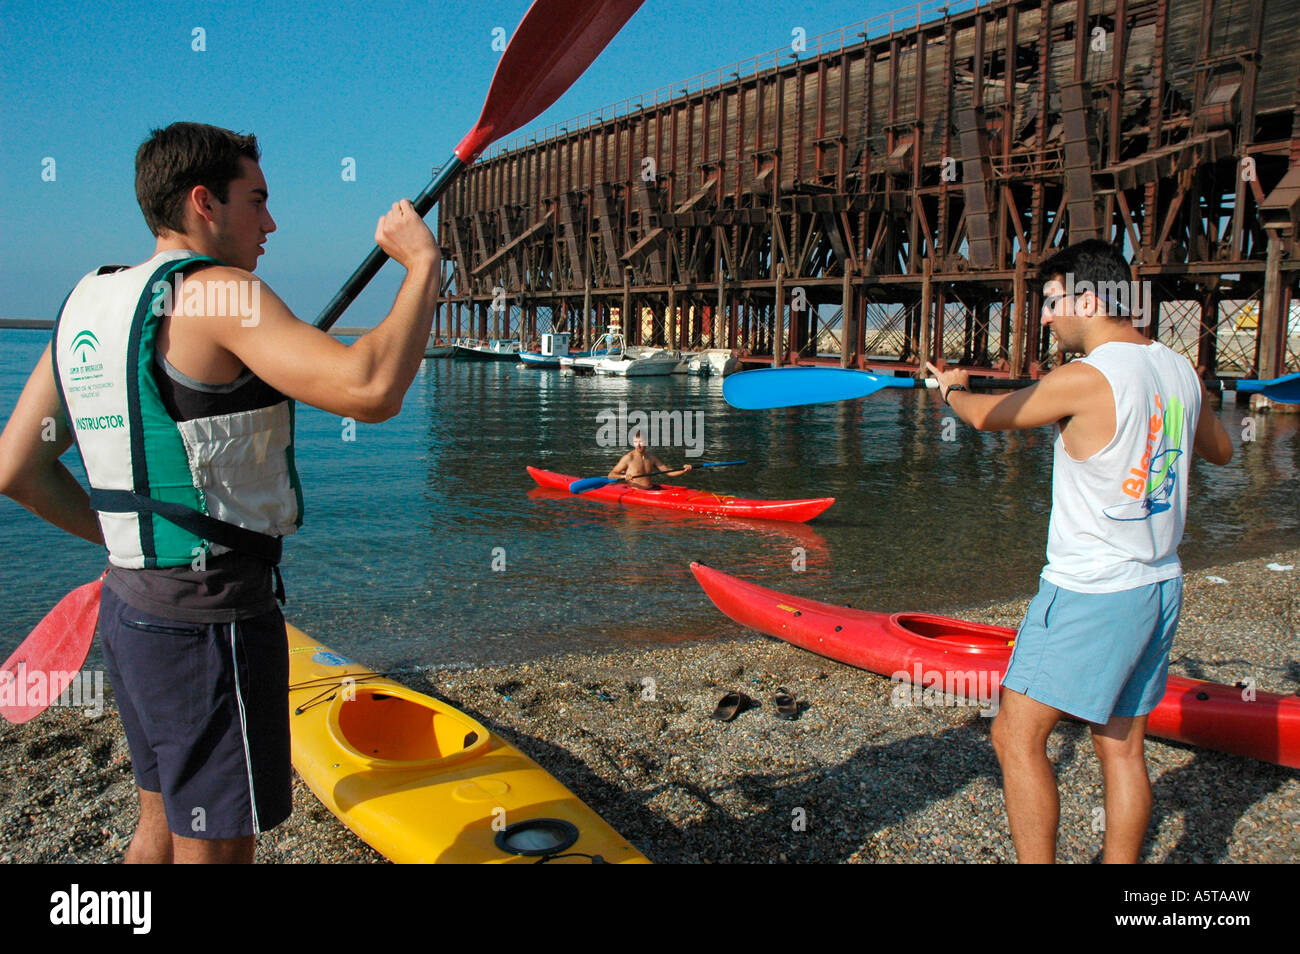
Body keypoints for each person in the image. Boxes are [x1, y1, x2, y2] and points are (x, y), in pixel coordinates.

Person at [0, 122, 441, 863]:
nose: (271, 224)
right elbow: (370, 388)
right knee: (217, 849)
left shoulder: (86, 303)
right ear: (204, 202)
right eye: (257, 201)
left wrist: (127, 541)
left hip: (130, 609)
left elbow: (17, 469)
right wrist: (422, 267)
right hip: (211, 622)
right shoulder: (221, 294)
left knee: (161, 828)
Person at [926, 238, 1233, 863]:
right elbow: (1222, 452)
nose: (1044, 316)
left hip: (1091, 589)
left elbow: (989, 417)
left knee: (1015, 735)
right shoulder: (1179, 369)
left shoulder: (1085, 377)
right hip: (1159, 584)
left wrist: (950, 391)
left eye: (1050, 301)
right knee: (1120, 745)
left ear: (1088, 298)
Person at [607, 431, 692, 489]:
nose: (638, 445)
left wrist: (684, 470)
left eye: (641, 442)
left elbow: (667, 471)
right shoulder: (629, 458)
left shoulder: (651, 458)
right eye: (636, 442)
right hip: (635, 493)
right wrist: (624, 476)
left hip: (650, 491)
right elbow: (611, 475)